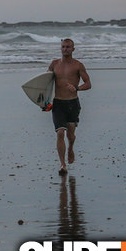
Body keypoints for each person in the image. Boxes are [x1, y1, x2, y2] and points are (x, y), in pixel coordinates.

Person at [48, 38, 91, 176]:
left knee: (70, 135)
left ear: (73, 49)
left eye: (68, 47)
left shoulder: (78, 65)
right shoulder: (54, 64)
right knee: (60, 132)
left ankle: (71, 148)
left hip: (73, 104)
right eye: (63, 47)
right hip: (58, 103)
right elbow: (45, 84)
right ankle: (63, 165)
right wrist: (43, 102)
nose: (65, 49)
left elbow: (88, 84)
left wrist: (77, 88)